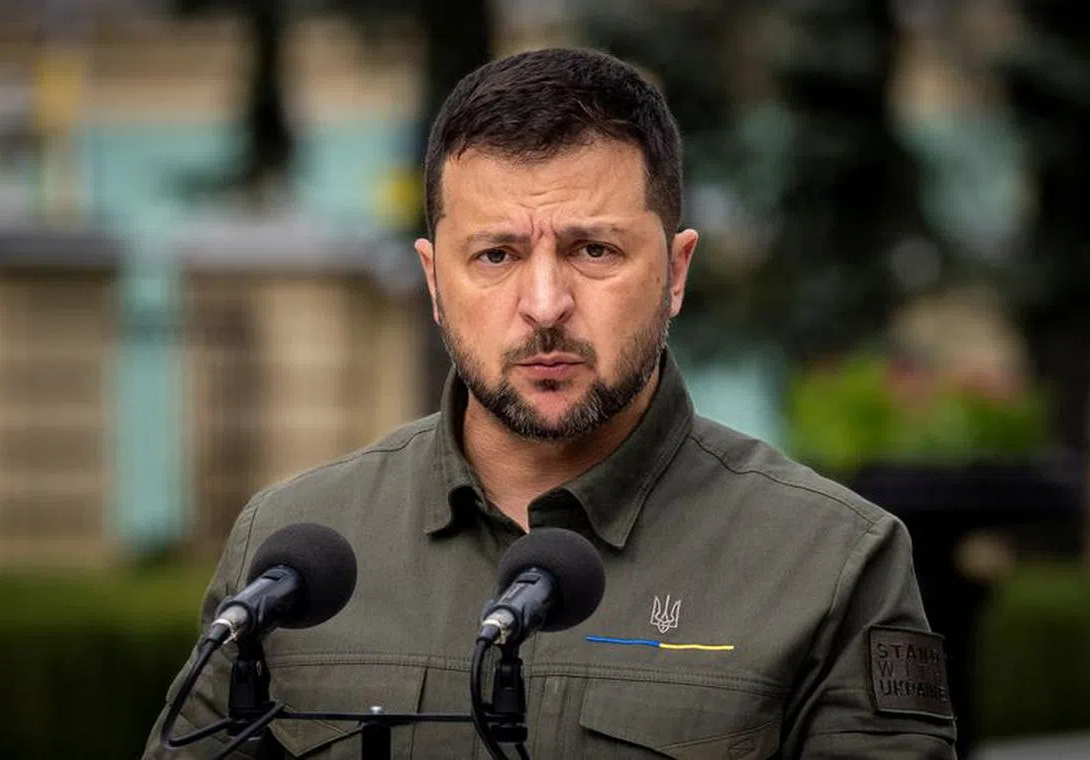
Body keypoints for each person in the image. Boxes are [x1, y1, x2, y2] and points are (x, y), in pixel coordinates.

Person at [145, 48, 957, 759]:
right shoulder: (293, 553)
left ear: (676, 273)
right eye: (495, 254)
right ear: (434, 282)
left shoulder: (829, 562)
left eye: (593, 249)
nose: (544, 304)